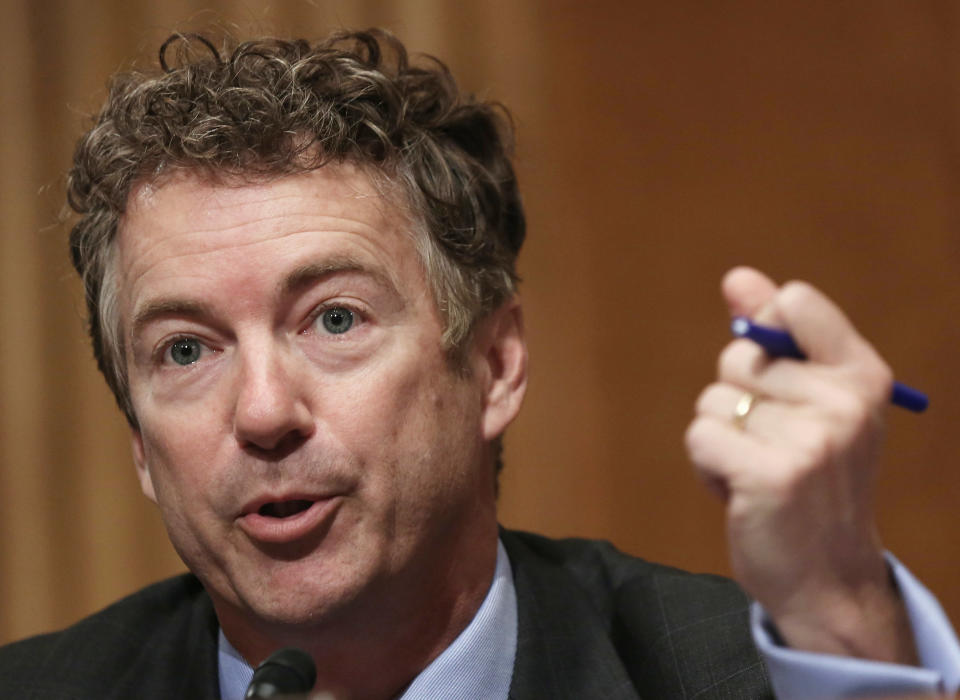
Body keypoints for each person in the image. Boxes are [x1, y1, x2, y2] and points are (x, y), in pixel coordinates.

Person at [0, 28, 956, 699]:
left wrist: (836, 606)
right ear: (137, 442)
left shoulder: (738, 678)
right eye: (184, 350)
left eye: (334, 319)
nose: (262, 411)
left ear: (495, 365)